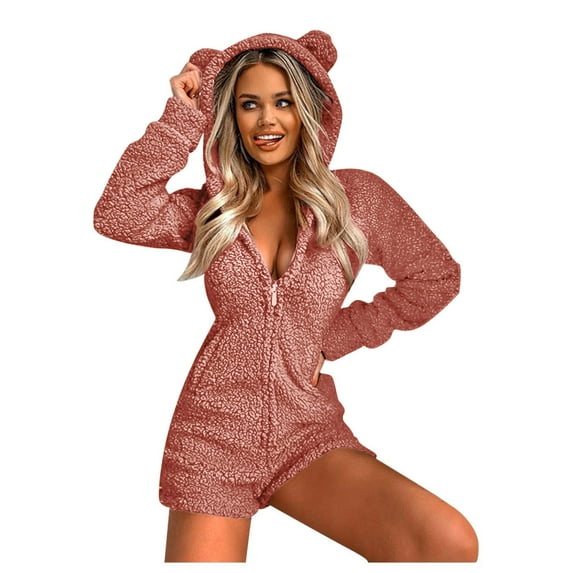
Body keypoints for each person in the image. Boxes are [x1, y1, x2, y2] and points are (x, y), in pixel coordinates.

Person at [94, 30, 478, 563]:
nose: (266, 120)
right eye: (249, 104)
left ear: (309, 111)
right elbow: (118, 212)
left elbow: (436, 276)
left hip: (306, 432)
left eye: (283, 102)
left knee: (445, 541)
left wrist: (336, 336)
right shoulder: (214, 209)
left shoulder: (357, 199)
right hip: (213, 437)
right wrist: (182, 117)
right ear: (230, 116)